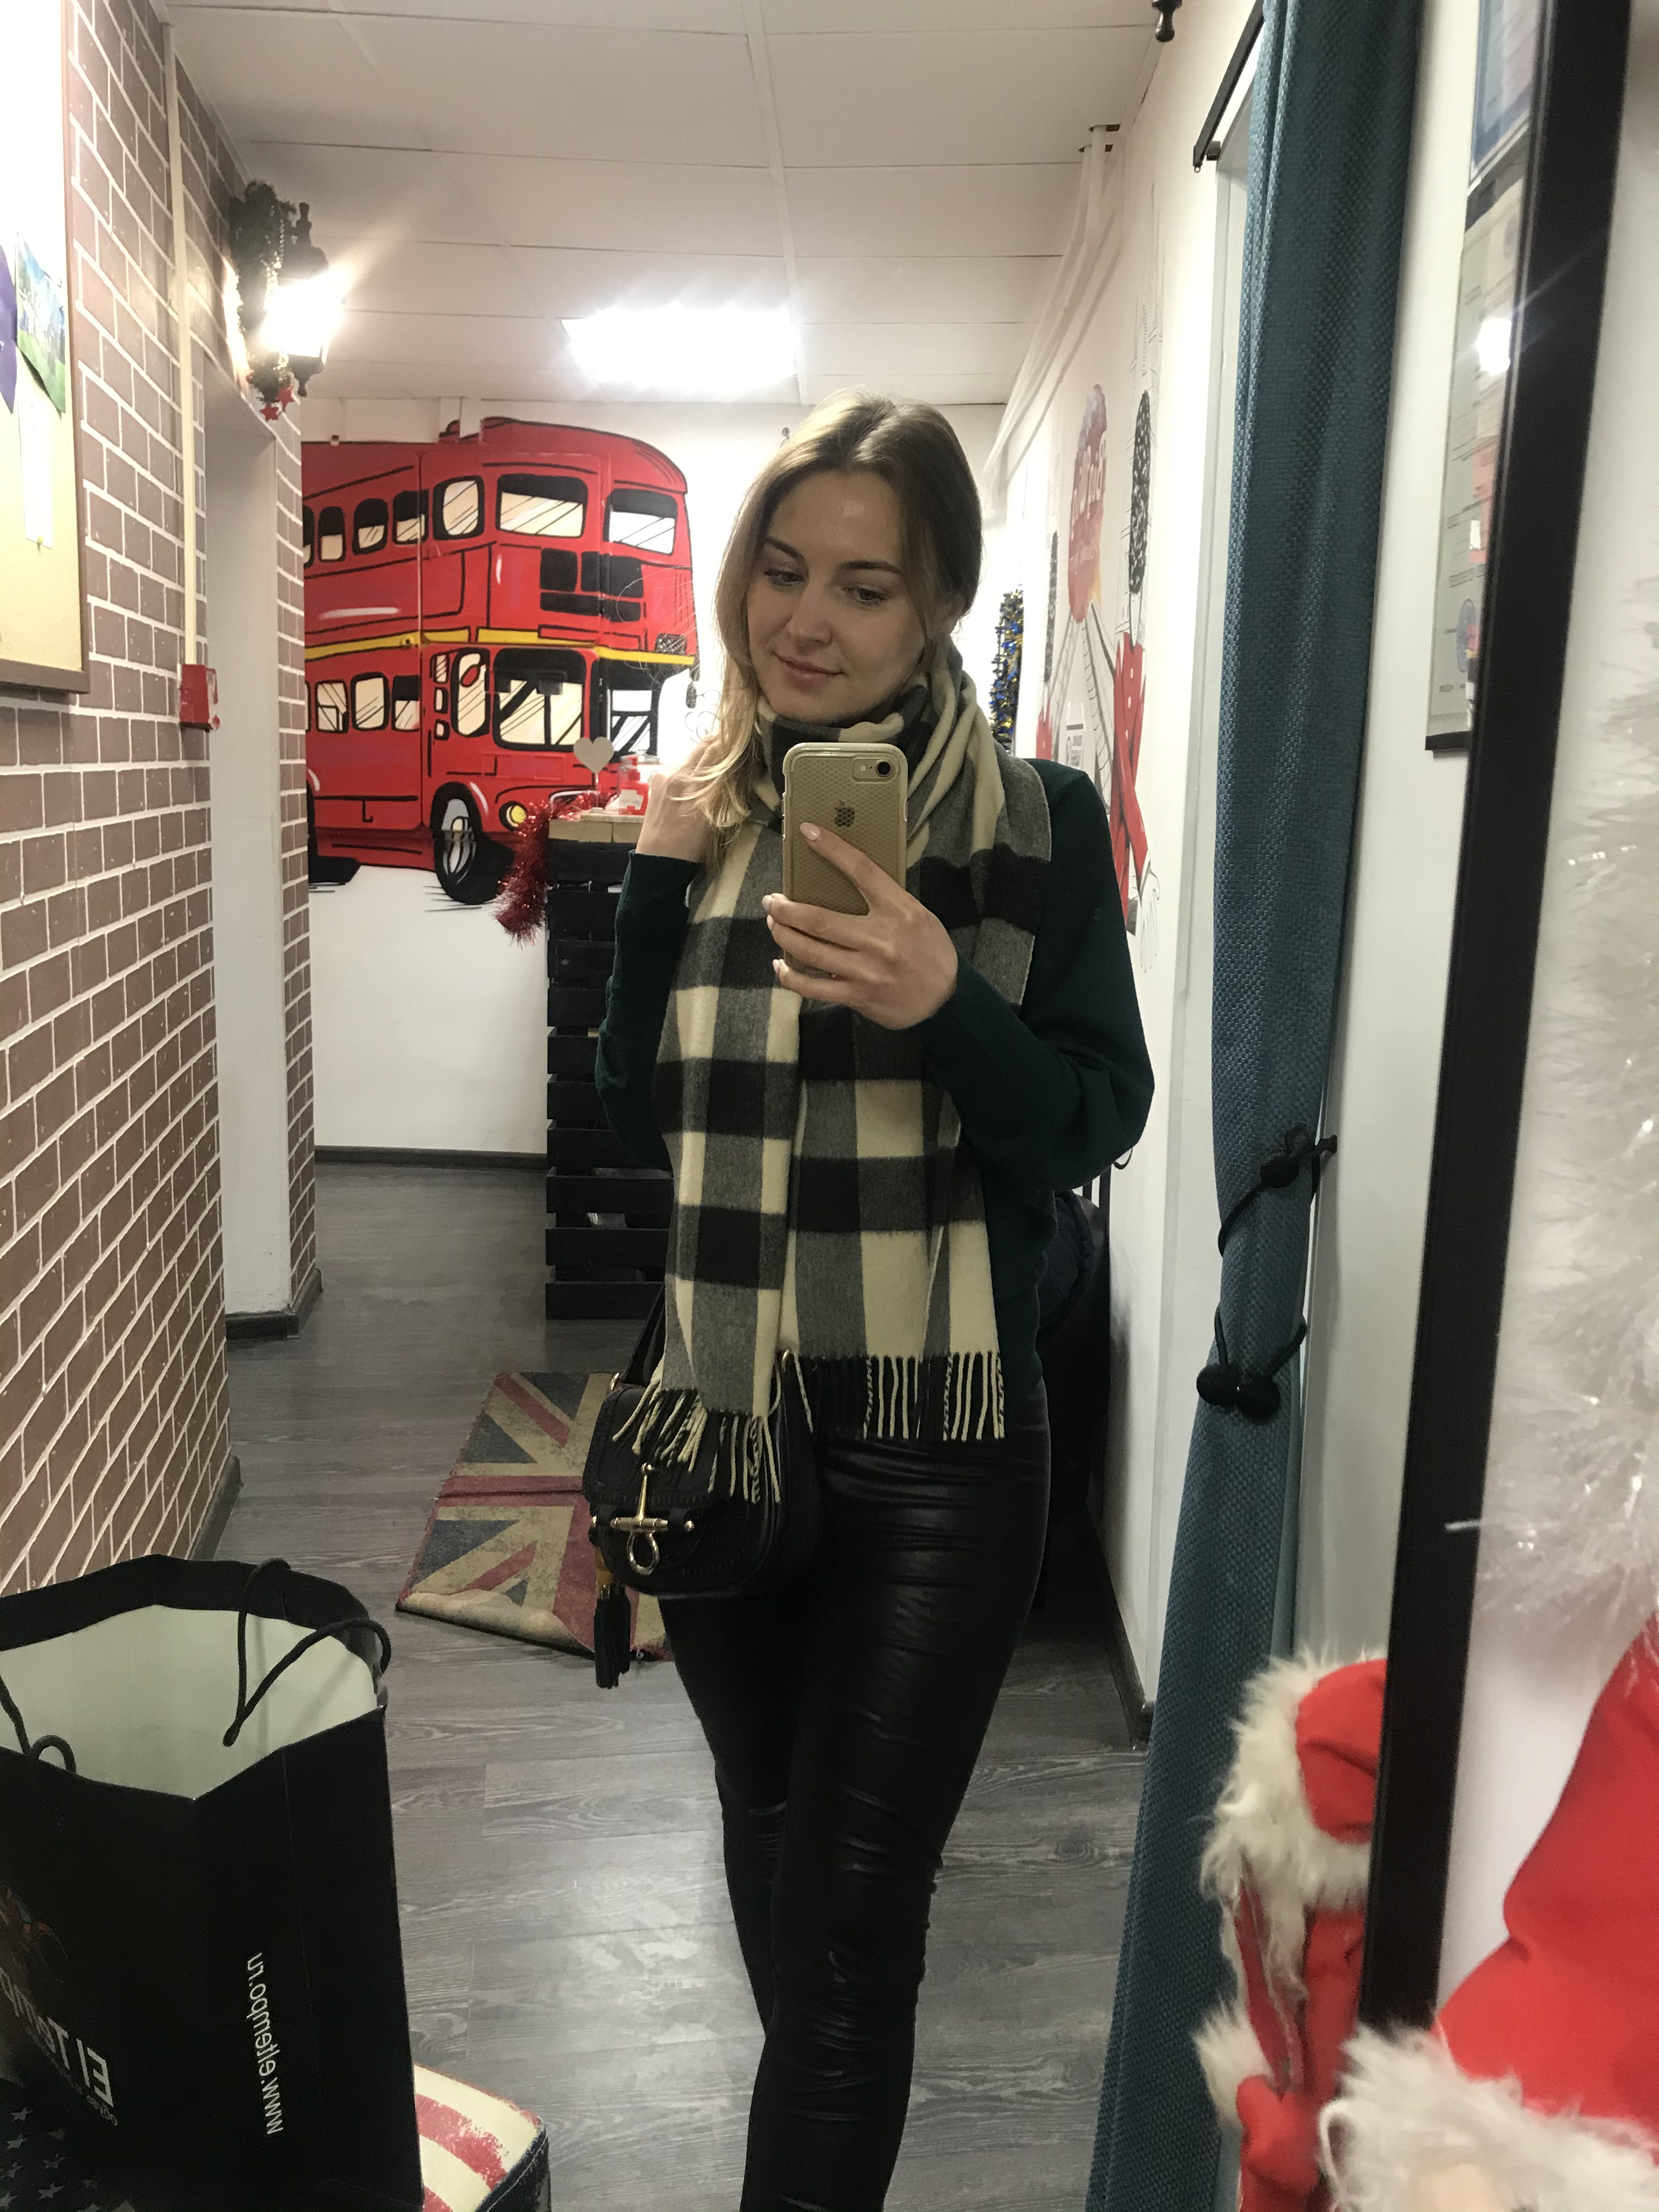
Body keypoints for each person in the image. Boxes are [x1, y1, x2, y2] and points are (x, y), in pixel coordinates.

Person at [595, 391, 1154, 2211]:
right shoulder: (710, 820)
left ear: (938, 609)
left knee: (850, 1936)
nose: (809, 622)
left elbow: (1095, 1115)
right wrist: (656, 879)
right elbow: (636, 1120)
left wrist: (944, 1003)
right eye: (782, 571)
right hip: (721, 1420)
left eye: (866, 586)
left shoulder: (1037, 829)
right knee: (776, 1861)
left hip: (941, 1446)